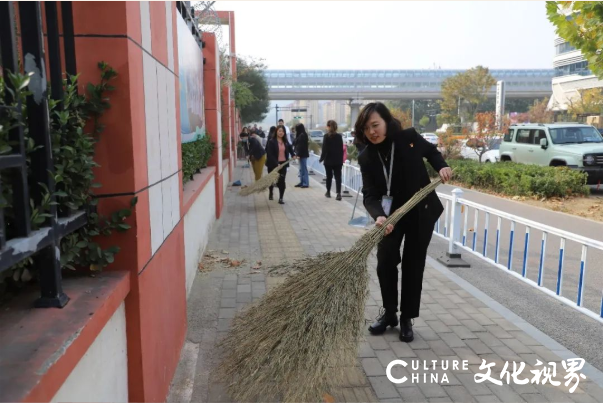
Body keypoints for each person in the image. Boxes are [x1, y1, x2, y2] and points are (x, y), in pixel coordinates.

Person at [355, 102, 452, 343]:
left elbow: (431, 152)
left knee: (413, 263)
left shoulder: (407, 138)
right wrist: (379, 216)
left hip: (420, 211)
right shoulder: (367, 157)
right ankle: (389, 314)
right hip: (390, 217)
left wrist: (442, 166)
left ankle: (407, 317)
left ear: (387, 122)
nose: (372, 132)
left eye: (375, 125)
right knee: (385, 261)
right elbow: (369, 194)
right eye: (367, 128)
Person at [265, 125, 295, 204]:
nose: (281, 133)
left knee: (282, 181)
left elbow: (290, 149)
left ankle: (281, 198)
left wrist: (293, 155)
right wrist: (276, 163)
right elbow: (270, 154)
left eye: (282, 131)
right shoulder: (271, 141)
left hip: (283, 164)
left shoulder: (285, 141)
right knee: (271, 180)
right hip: (273, 164)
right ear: (276, 132)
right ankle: (271, 192)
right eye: (279, 131)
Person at [319, 120, 344, 201]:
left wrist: (321, 158)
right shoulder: (339, 136)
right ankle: (338, 194)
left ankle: (328, 192)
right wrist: (341, 160)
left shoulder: (326, 136)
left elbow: (324, 149)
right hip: (337, 161)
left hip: (328, 160)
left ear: (329, 127)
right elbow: (341, 149)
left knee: (329, 177)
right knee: (338, 177)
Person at [294, 123, 310, 188]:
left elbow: (302, 146)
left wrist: (299, 154)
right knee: (301, 169)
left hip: (302, 154)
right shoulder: (300, 135)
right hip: (300, 154)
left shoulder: (302, 135)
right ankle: (302, 182)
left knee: (304, 169)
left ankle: (305, 183)